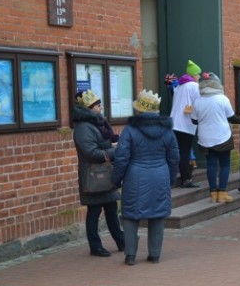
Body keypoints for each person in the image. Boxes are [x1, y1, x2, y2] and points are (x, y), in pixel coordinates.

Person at [112, 89, 179, 265]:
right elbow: (174, 157)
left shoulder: (130, 130)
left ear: (140, 110)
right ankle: (155, 254)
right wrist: (170, 178)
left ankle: (130, 255)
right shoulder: (167, 130)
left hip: (135, 175)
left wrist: (116, 179)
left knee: (130, 214)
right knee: (157, 215)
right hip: (160, 174)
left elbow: (121, 157)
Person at [72, 90, 125, 257]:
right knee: (94, 211)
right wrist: (114, 151)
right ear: (89, 108)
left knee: (111, 209)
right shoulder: (83, 127)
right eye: (97, 104)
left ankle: (121, 241)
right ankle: (95, 246)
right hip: (93, 176)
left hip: (104, 173)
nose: (101, 107)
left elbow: (105, 141)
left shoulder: (97, 123)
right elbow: (91, 153)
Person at [191, 72, 240, 203]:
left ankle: (213, 194)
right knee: (225, 165)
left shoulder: (197, 101)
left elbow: (194, 121)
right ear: (217, 84)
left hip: (205, 138)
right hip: (222, 136)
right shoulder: (222, 98)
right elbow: (231, 118)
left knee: (211, 165)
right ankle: (222, 193)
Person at [170, 60, 202, 188]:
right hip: (186, 124)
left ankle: (175, 176)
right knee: (185, 152)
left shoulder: (179, 86)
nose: (199, 77)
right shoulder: (194, 86)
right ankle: (186, 179)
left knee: (176, 151)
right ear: (193, 75)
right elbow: (199, 103)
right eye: (198, 74)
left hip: (174, 123)